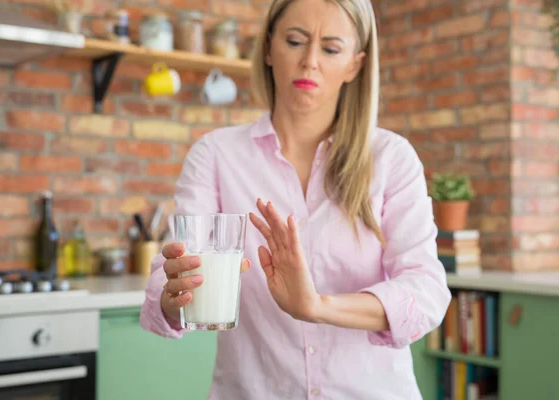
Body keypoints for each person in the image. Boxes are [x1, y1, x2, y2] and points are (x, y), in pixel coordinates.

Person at [140, 0, 452, 398]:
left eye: (331, 49)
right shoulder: (216, 155)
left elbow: (425, 292)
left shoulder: (390, 157)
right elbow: (162, 293)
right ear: (269, 49)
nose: (309, 62)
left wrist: (317, 305)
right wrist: (175, 293)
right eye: (295, 41)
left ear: (355, 65)